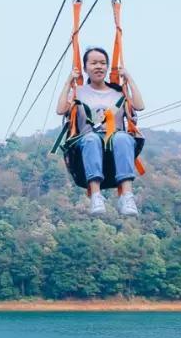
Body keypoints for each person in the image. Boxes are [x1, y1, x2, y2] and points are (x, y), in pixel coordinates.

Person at [56, 46, 145, 216]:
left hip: (115, 141)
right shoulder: (78, 92)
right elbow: (61, 110)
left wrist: (129, 79)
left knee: (123, 138)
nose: (99, 67)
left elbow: (139, 106)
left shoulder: (118, 93)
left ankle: (127, 196)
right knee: (91, 139)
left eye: (103, 63)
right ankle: (96, 195)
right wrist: (69, 82)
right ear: (85, 68)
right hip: (87, 142)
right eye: (94, 63)